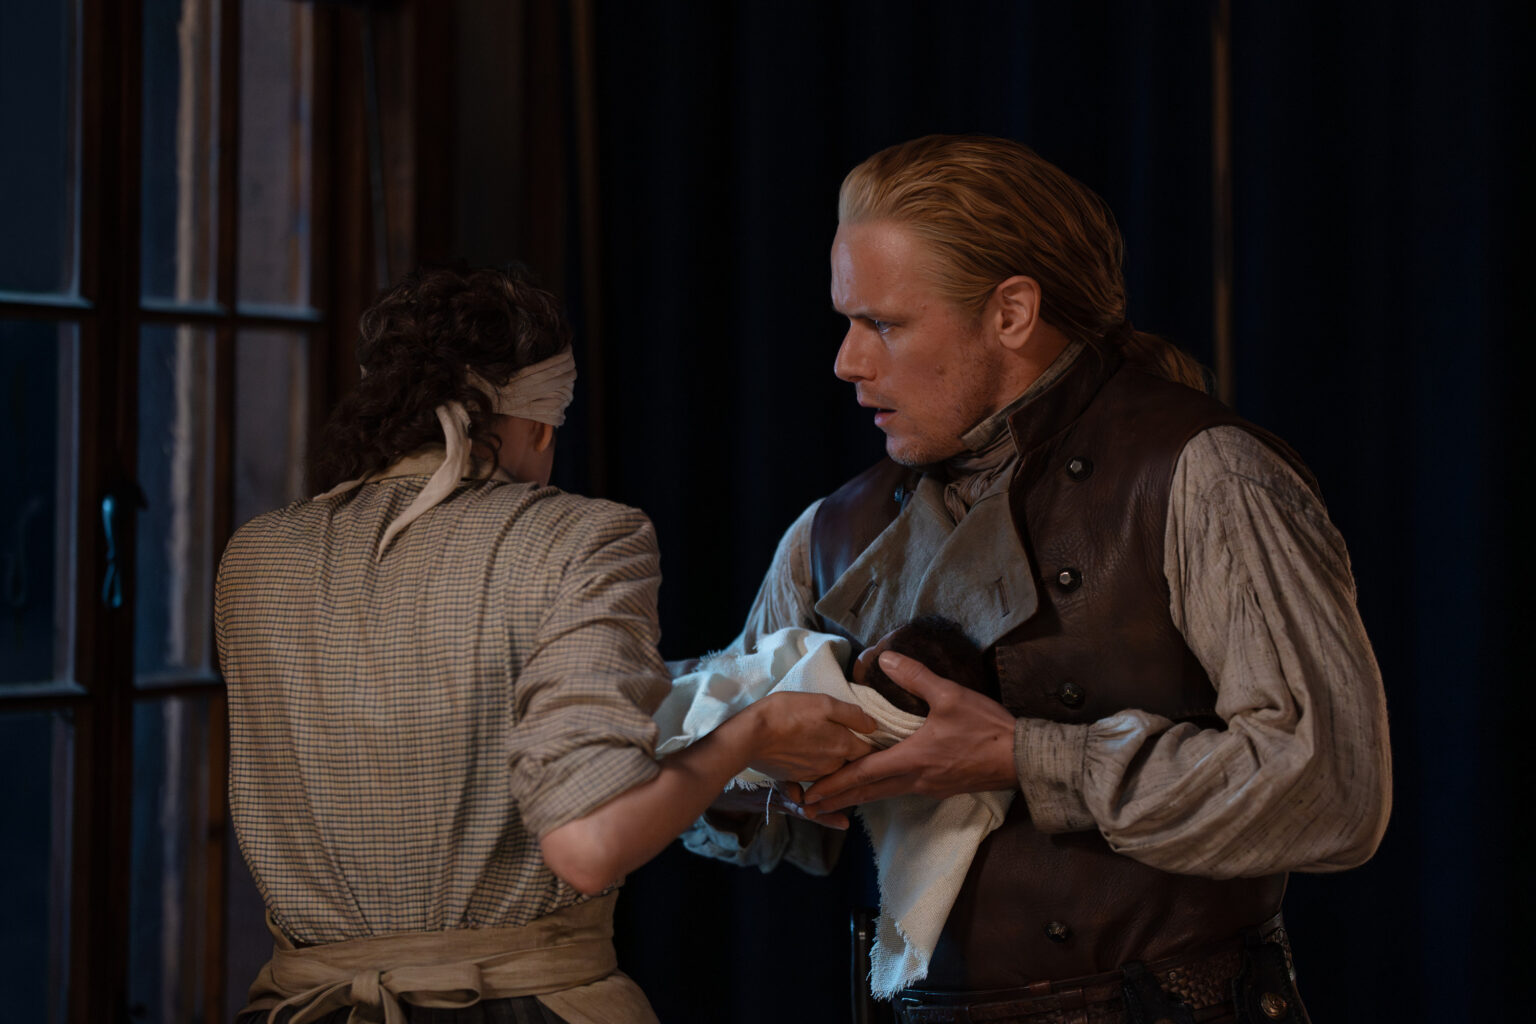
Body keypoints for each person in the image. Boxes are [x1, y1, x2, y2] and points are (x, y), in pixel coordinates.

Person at [683, 135, 1391, 1023]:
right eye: (847, 322)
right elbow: (749, 813)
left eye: (885, 324)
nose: (848, 362)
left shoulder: (1204, 476)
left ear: (1012, 312)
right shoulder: (834, 531)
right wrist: (740, 762)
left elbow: (1329, 788)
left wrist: (1025, 756)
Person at [215, 264, 877, 1024]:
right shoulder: (580, 537)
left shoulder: (256, 557)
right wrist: (751, 734)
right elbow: (588, 845)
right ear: (536, 423)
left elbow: (443, 757)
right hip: (519, 1006)